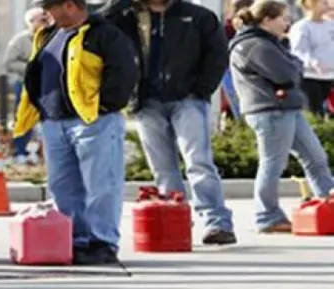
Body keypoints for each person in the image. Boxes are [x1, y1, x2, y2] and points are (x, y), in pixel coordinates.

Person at [106, 0, 238, 246]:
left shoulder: (198, 16)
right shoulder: (126, 16)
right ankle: (175, 219)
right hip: (146, 101)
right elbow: (100, 22)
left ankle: (216, 222)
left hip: (188, 99)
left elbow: (217, 54)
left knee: (198, 161)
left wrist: (201, 90)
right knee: (163, 168)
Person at [28, 0, 138, 264]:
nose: (46, 13)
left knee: (101, 184)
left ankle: (102, 242)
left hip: (92, 122)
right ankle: (74, 239)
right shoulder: (49, 34)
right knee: (62, 186)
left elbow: (124, 72)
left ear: (68, 6)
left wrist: (104, 107)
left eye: (49, 7)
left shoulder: (105, 35)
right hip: (55, 122)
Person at [230, 0, 334, 233]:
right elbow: (287, 75)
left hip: (287, 109)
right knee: (273, 164)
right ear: (267, 20)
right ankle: (267, 216)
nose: (287, 23)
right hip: (271, 111)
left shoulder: (269, 43)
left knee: (315, 158)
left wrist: (293, 64)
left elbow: (292, 66)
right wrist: (294, 65)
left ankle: (328, 206)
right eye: (283, 18)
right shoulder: (256, 45)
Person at [4, 7, 49, 165]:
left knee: (48, 118)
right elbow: (9, 62)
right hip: (26, 85)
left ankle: (42, 152)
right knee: (23, 118)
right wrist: (32, 70)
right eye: (42, 20)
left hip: (48, 86)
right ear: (31, 22)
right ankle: (19, 151)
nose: (46, 22)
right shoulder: (20, 41)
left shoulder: (51, 37)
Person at [289, 0, 334, 118]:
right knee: (315, 112)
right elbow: (298, 51)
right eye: (323, 2)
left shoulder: (331, 24)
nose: (328, 5)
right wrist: (313, 62)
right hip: (311, 77)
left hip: (330, 75)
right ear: (310, 4)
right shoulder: (301, 27)